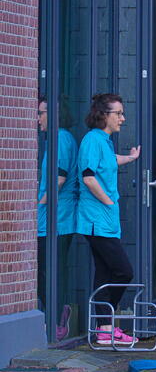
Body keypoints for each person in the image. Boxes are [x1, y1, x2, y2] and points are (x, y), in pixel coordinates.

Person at [76, 93, 140, 345]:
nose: (123, 118)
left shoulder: (104, 141)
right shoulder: (92, 139)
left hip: (105, 221)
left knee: (104, 274)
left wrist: (131, 158)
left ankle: (104, 329)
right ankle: (105, 324)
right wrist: (108, 202)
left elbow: (109, 161)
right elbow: (88, 176)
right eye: (119, 113)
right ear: (103, 115)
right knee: (123, 272)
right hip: (96, 220)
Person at [37, 96, 79, 340]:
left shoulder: (61, 139)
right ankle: (54, 316)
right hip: (54, 219)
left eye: (41, 113)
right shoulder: (59, 138)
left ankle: (56, 319)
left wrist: (39, 205)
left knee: (47, 270)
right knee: (49, 269)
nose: (38, 118)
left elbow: (59, 179)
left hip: (56, 220)